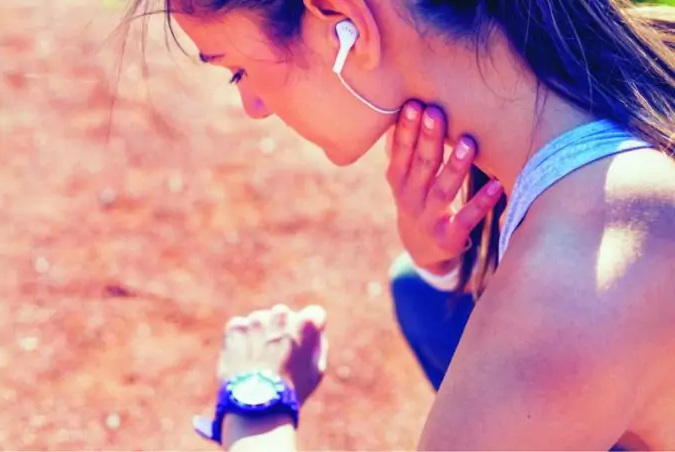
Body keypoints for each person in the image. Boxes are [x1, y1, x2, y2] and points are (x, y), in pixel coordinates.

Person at [122, 0, 675, 450]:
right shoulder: (609, 82)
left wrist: (255, 408)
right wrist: (439, 257)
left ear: (346, 24)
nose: (254, 105)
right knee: (422, 289)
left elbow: (562, 325)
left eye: (238, 69)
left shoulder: (569, 293)